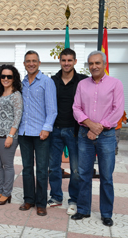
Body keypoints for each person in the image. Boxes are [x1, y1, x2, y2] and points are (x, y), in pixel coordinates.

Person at [71, 51, 124, 227]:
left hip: (107, 136)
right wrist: (90, 125)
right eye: (91, 63)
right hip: (85, 135)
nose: (94, 66)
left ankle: (106, 213)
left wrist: (98, 127)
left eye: (97, 63)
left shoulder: (116, 84)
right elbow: (76, 107)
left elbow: (117, 110)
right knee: (83, 174)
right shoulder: (82, 84)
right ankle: (83, 209)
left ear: (104, 64)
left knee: (106, 176)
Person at [47, 48, 87, 215]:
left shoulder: (83, 81)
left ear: (75, 62)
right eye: (64, 60)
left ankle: (74, 199)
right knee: (53, 167)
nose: (66, 63)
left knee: (76, 168)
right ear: (60, 61)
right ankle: (56, 196)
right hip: (55, 130)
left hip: (75, 131)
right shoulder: (52, 81)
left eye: (70, 60)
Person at [18, 50, 57, 216]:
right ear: (24, 64)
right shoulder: (22, 83)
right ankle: (29, 200)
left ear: (39, 63)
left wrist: (46, 128)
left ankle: (41, 203)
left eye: (34, 61)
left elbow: (52, 110)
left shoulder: (47, 82)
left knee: (42, 169)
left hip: (41, 133)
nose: (31, 63)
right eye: (28, 61)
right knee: (27, 168)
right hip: (24, 132)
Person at [0, 65, 23, 205]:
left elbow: (18, 116)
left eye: (9, 76)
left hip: (7, 136)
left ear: (14, 78)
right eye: (3, 76)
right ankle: (1, 190)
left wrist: (10, 135)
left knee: (7, 165)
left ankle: (7, 193)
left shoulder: (16, 95)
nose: (5, 79)